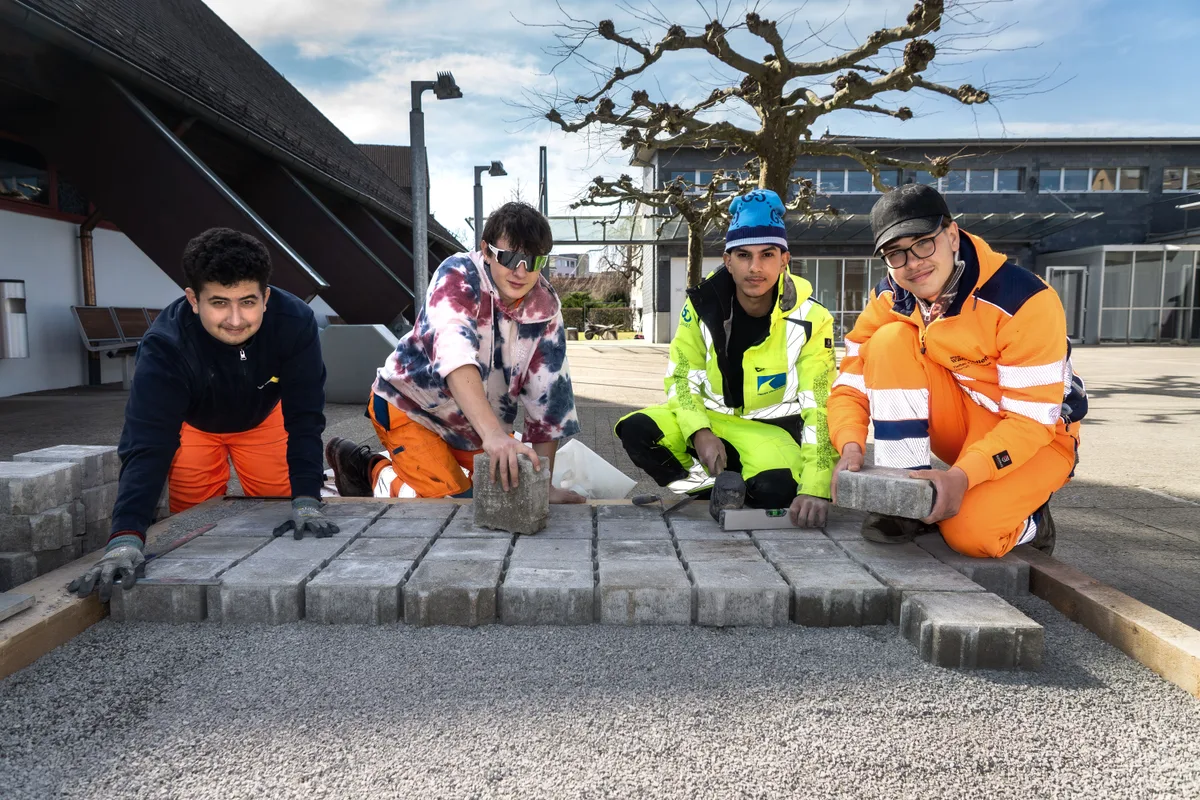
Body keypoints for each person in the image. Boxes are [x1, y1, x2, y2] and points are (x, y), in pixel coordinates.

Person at [69, 228, 335, 602]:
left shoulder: (295, 322)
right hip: (192, 427)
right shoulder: (166, 346)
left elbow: (305, 416)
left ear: (266, 297)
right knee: (195, 524)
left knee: (286, 509)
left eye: (247, 301)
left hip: (264, 419)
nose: (236, 319)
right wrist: (125, 537)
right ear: (193, 299)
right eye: (219, 302)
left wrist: (307, 497)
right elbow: (147, 444)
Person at [828, 183, 1087, 557]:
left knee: (971, 535)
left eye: (923, 243)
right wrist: (849, 444)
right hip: (964, 422)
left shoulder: (1023, 299)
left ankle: (1033, 522)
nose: (912, 262)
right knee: (888, 340)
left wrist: (963, 476)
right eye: (896, 253)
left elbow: (1031, 421)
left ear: (952, 236)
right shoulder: (889, 296)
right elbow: (851, 381)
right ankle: (907, 498)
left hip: (1040, 437)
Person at [325, 202, 584, 504]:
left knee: (513, 493)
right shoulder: (458, 275)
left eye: (534, 260)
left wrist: (543, 486)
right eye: (510, 257)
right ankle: (369, 469)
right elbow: (454, 355)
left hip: (473, 424)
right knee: (453, 504)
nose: (521, 271)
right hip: (411, 408)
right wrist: (493, 435)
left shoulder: (545, 309)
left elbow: (549, 400)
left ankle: (432, 464)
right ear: (486, 251)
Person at [614, 188, 838, 526]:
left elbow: (820, 404)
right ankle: (707, 491)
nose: (755, 267)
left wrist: (816, 487)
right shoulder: (700, 306)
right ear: (728, 261)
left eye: (767, 254)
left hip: (769, 434)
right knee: (637, 430)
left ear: (784, 260)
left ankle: (739, 487)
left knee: (779, 491)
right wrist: (699, 432)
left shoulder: (812, 318)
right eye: (744, 255)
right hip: (710, 420)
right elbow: (681, 377)